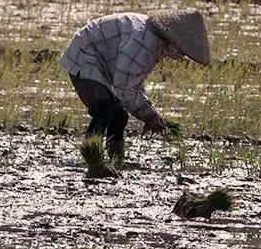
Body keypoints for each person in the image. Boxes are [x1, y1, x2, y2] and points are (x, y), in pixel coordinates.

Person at [61, 10, 211, 169]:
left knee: (120, 115)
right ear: (171, 41)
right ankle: (93, 160)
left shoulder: (155, 44)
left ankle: (116, 163)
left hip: (101, 61)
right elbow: (124, 88)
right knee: (103, 109)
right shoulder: (143, 42)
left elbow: (134, 81)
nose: (181, 56)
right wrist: (148, 116)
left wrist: (151, 112)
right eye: (181, 51)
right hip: (84, 54)